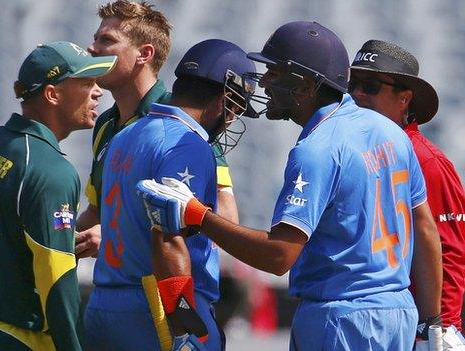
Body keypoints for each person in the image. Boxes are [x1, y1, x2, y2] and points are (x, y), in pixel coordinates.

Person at [136, 21, 443, 350]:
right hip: (398, 314)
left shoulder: (317, 149)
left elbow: (279, 256)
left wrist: (199, 216)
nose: (265, 82)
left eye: (276, 73)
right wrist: (431, 321)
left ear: (307, 85)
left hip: (341, 319)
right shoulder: (390, 131)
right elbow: (424, 229)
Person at [84, 38, 256, 351]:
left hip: (104, 303)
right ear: (223, 99)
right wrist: (183, 321)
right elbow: (166, 235)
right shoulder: (188, 143)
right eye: (235, 108)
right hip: (159, 307)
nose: (231, 119)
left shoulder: (124, 134)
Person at [0, 42, 116, 351]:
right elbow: (57, 276)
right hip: (18, 339)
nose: (98, 92)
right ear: (52, 94)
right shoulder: (51, 169)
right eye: (86, 83)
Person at [75, 0, 242, 260]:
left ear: (144, 54)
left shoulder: (182, 118)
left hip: (163, 291)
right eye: (95, 38)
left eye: (106, 40)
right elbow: (97, 213)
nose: (91, 48)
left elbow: (224, 214)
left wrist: (114, 238)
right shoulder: (105, 124)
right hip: (114, 287)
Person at [350, 40, 465, 333]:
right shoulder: (350, 149)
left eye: (372, 85)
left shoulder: (426, 160)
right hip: (365, 321)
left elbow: (450, 252)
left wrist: (442, 328)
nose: (357, 94)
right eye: (353, 84)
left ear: (405, 99)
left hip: (411, 328)